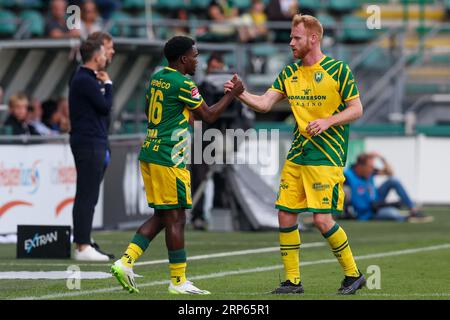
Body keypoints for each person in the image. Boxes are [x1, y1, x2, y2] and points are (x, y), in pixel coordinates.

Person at [225, 14, 365, 295]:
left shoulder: (338, 71)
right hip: (298, 154)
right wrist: (241, 94)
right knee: (286, 215)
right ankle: (292, 281)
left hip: (327, 155)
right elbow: (264, 104)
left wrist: (328, 120)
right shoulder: (289, 73)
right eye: (291, 37)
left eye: (296, 38)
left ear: (313, 39)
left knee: (321, 220)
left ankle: (354, 275)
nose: (291, 43)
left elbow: (356, 109)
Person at [110, 36, 244, 294]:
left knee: (163, 215)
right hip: (169, 158)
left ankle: (126, 262)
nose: (197, 60)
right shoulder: (184, 83)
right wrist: (232, 95)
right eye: (194, 55)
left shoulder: (158, 77)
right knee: (177, 218)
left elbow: (159, 110)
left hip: (151, 151)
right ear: (183, 59)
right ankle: (178, 282)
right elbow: (209, 116)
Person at [69, 39, 113, 261]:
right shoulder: (85, 79)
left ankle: (85, 241)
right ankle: (82, 246)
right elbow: (105, 107)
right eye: (104, 53)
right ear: (97, 56)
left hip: (92, 140)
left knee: (89, 194)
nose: (106, 57)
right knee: (86, 194)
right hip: (88, 141)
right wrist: (109, 85)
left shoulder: (85, 78)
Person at [344, 152, 433, 223]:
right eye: (370, 167)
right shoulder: (348, 175)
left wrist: (382, 158)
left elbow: (390, 172)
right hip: (367, 211)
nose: (372, 169)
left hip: (377, 201)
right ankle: (406, 217)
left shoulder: (369, 172)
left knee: (393, 180)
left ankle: (413, 209)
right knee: (393, 214)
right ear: (360, 166)